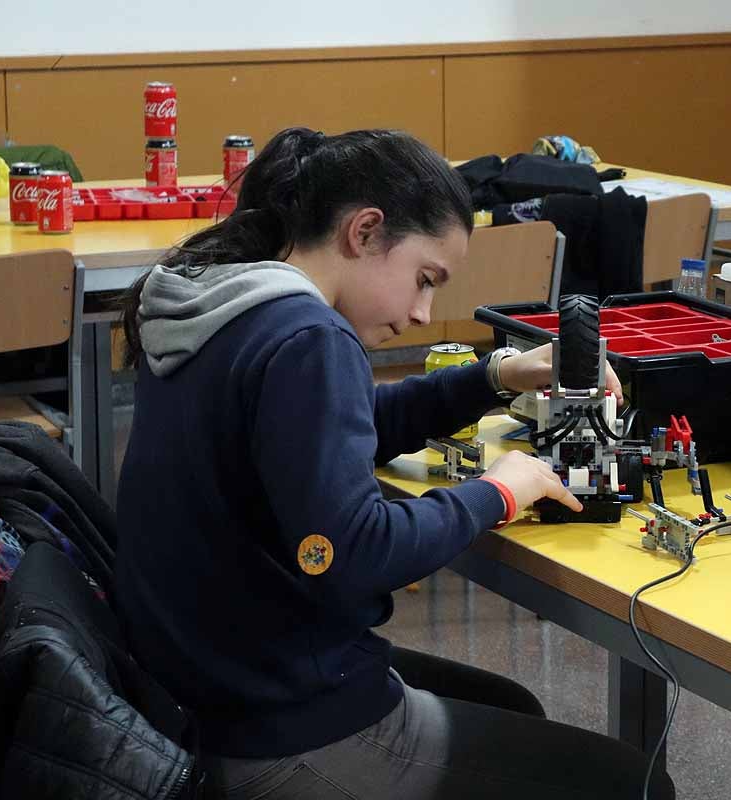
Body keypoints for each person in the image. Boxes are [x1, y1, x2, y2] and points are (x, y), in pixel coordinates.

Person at [114, 127, 674, 799]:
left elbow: (338, 433)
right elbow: (355, 551)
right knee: (633, 785)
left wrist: (496, 373)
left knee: (511, 705)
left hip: (203, 687)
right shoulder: (306, 338)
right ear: (365, 230)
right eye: (424, 279)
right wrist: (500, 490)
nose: (421, 313)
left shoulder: (220, 303)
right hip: (275, 727)